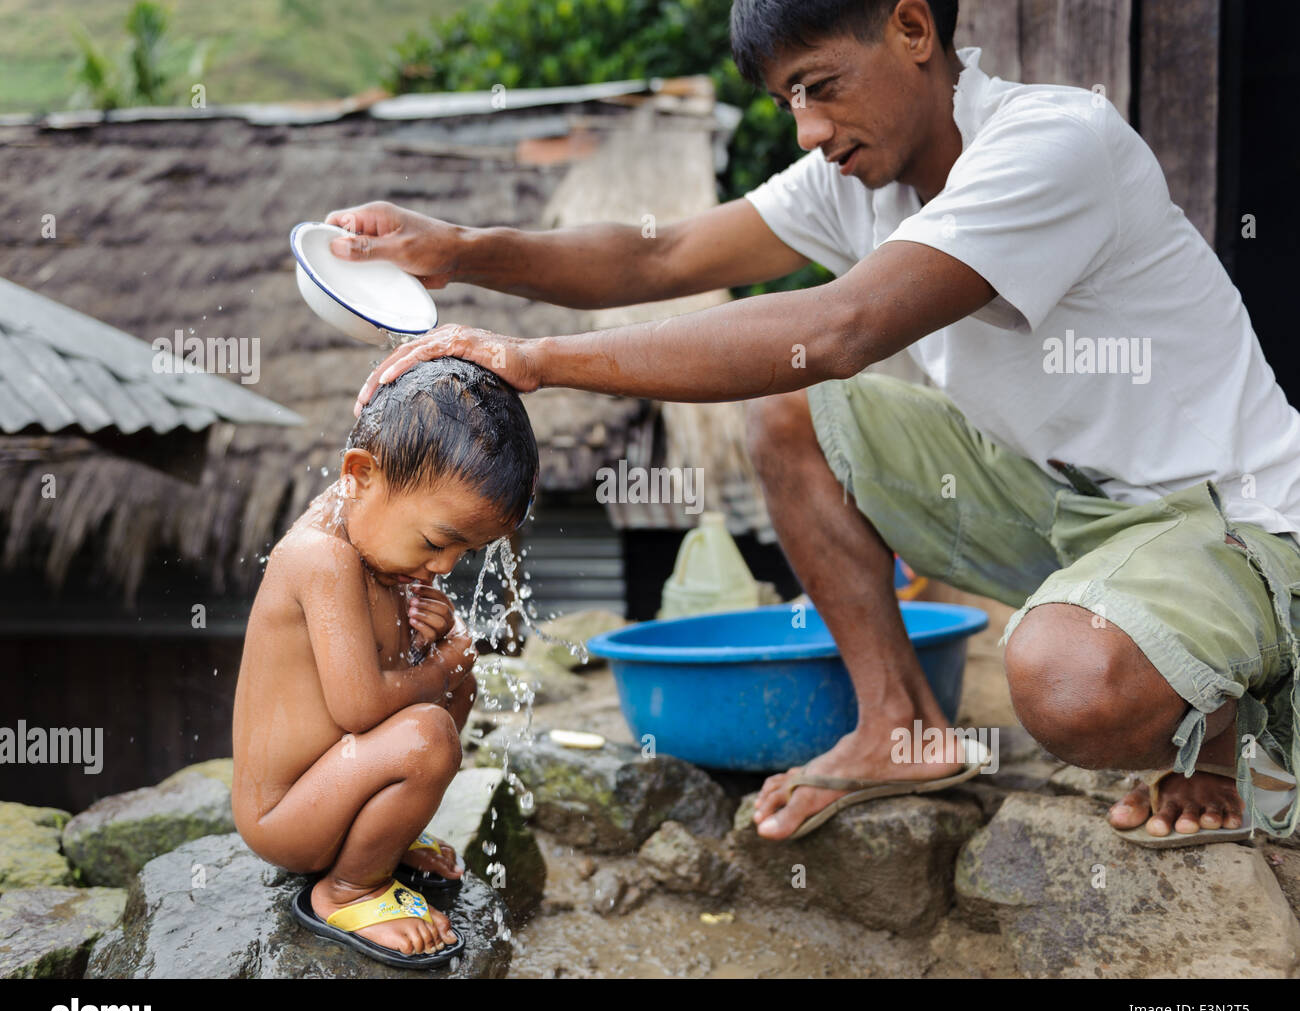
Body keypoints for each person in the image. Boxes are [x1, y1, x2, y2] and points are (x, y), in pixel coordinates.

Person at [325, 0, 1300, 847]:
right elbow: (657, 257)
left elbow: (841, 328)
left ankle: (1233, 736)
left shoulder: (1052, 144)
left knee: (1067, 679)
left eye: (820, 86)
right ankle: (898, 727)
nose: (806, 128)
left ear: (912, 28)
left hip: (1224, 521)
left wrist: (537, 362)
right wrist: (458, 249)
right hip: (1059, 504)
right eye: (790, 99)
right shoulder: (860, 178)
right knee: (791, 413)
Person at [232, 358, 539, 967]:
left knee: (458, 689)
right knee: (428, 733)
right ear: (361, 476)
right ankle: (349, 888)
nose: (447, 566)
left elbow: (392, 671)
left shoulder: (380, 543)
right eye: (436, 542)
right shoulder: (322, 557)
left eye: (465, 551)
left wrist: (436, 638)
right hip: (287, 819)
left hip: (337, 792)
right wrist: (446, 660)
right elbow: (362, 705)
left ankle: (377, 841)